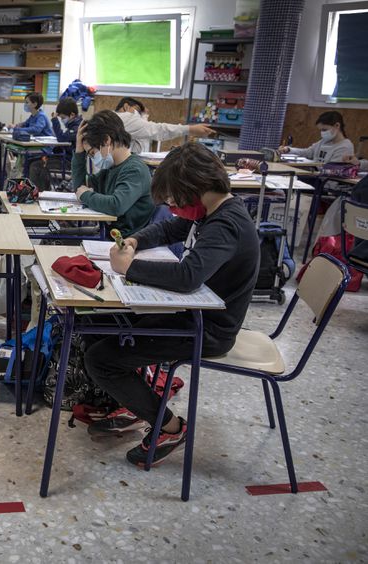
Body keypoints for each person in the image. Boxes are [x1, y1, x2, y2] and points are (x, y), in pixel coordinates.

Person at [84, 142, 260, 467]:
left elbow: (187, 276)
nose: (174, 207)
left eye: (176, 199)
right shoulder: (209, 211)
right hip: (190, 313)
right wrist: (136, 241)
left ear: (196, 189)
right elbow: (168, 227)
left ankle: (170, 427)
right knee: (95, 320)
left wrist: (129, 268)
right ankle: (138, 402)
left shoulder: (226, 224)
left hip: (209, 330)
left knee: (101, 360)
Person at [72, 110, 154, 237]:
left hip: (125, 241)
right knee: (52, 238)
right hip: (109, 234)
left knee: (55, 242)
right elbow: (79, 187)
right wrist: (79, 150)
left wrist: (86, 195)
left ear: (106, 141)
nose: (93, 158)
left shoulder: (134, 169)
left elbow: (116, 205)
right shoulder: (111, 168)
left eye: (92, 153)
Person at [115, 97, 215, 154]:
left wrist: (143, 117)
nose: (139, 116)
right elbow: (158, 130)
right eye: (137, 111)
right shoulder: (125, 118)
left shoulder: (120, 122)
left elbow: (140, 148)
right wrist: (190, 129)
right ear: (126, 107)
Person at [278, 111, 353, 163]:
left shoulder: (344, 147)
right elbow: (308, 152)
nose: (322, 133)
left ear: (337, 125)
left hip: (325, 183)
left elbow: (332, 171)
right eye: (321, 130)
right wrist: (288, 150)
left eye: (324, 129)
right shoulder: (323, 141)